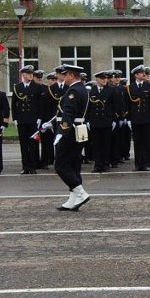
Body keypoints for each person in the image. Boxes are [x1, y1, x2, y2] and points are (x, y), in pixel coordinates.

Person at [54, 64, 91, 211]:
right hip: (79, 129)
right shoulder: (82, 89)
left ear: (71, 75)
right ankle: (73, 198)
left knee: (61, 165)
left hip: (70, 131)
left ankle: (80, 192)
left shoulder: (74, 90)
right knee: (74, 165)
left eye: (65, 74)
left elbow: (68, 113)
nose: (63, 77)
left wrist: (61, 133)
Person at [12, 65, 43, 174]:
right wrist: (15, 118)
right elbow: (14, 104)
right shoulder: (17, 87)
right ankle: (25, 166)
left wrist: (39, 117)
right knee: (23, 144)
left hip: (33, 120)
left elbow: (40, 104)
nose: (31, 75)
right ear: (23, 74)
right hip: (21, 119)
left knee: (33, 144)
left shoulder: (37, 87)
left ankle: (33, 167)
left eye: (32, 73)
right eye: (28, 73)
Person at [128, 64, 150, 171]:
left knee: (146, 141)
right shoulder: (130, 88)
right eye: (141, 73)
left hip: (147, 118)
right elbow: (127, 104)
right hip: (135, 118)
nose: (143, 74)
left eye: (144, 73)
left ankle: (145, 164)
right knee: (137, 142)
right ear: (136, 75)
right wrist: (128, 118)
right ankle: (138, 164)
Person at [86, 71, 115, 173]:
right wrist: (87, 120)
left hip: (107, 121)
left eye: (106, 78)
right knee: (96, 145)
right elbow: (88, 108)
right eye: (102, 78)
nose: (104, 80)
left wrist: (114, 120)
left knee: (106, 144)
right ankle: (98, 165)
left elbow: (116, 106)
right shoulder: (91, 91)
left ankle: (106, 164)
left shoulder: (111, 90)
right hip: (94, 121)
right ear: (97, 79)